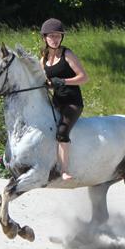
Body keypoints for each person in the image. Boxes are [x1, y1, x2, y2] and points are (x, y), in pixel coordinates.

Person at [40, 18, 88, 180]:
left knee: (61, 132)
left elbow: (83, 77)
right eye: (51, 36)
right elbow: (44, 81)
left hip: (72, 102)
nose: (55, 39)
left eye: (58, 36)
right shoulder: (43, 58)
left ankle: (64, 170)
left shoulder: (67, 54)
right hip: (56, 102)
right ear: (45, 38)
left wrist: (64, 81)